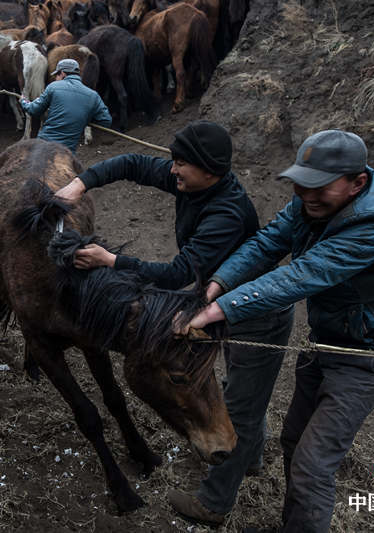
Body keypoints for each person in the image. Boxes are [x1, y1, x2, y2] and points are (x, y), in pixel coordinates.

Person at [175, 130, 374, 532]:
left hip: (371, 351)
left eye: (318, 186)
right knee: (293, 438)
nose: (306, 193)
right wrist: (218, 284)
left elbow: (300, 275)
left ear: (357, 183)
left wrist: (218, 310)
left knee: (312, 465)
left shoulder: (371, 227)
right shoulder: (312, 202)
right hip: (328, 335)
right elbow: (269, 242)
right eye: (301, 182)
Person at [55, 120, 294, 526]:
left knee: (239, 403)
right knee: (241, 386)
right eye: (174, 161)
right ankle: (250, 457)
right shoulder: (192, 183)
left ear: (210, 171)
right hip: (221, 303)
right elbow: (131, 163)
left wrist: (111, 261)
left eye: (182, 164)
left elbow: (177, 272)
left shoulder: (225, 213)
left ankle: (214, 503)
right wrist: (80, 185)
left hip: (255, 313)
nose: (173, 170)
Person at [20, 58, 112, 153]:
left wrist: (23, 101)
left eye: (57, 75)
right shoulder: (93, 95)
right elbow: (106, 121)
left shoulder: (53, 87)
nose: (56, 78)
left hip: (45, 144)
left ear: (63, 73)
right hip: (68, 151)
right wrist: (84, 118)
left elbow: (34, 110)